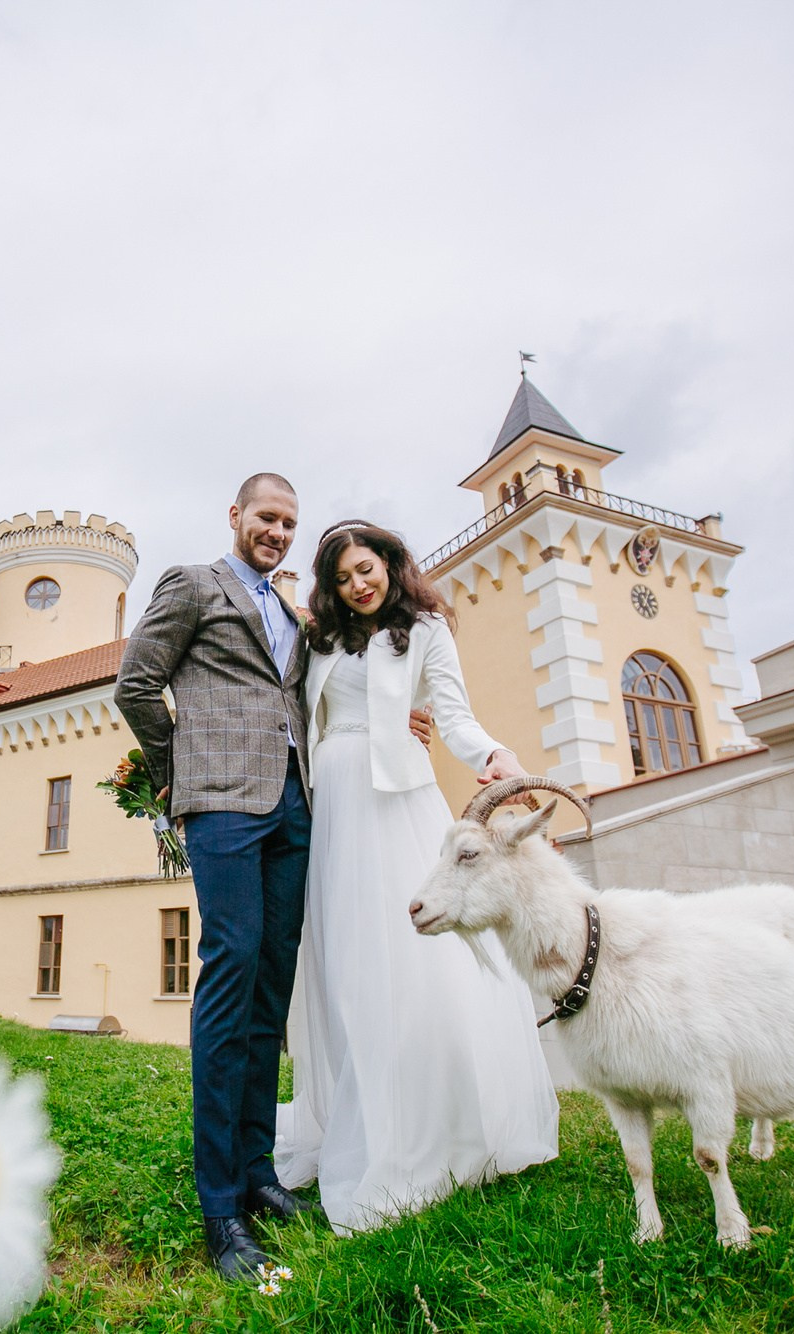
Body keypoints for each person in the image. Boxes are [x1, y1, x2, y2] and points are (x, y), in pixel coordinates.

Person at [114, 476, 433, 1279]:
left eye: (289, 523)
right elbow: (136, 685)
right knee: (230, 973)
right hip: (222, 805)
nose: (278, 532)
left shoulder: (298, 619)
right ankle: (219, 1207)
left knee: (270, 990)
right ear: (236, 516)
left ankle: (257, 1172)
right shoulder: (194, 584)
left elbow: (329, 698)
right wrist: (175, 772)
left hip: (298, 813)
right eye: (267, 518)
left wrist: (400, 722)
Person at [274, 519, 561, 1234]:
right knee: (348, 963)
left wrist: (494, 757)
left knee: (416, 959)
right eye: (342, 579)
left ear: (391, 564)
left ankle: (436, 1124)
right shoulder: (319, 639)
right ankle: (360, 1112)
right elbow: (299, 715)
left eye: (366, 569)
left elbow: (455, 717)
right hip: (333, 806)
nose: (358, 585)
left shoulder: (426, 628)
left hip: (398, 802)